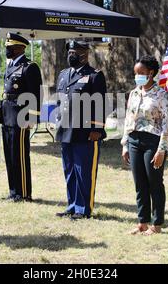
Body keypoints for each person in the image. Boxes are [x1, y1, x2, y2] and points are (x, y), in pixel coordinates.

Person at [121, 55, 168, 236]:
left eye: (141, 73)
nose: (137, 77)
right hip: (134, 140)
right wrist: (125, 144)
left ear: (151, 73)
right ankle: (142, 222)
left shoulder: (162, 95)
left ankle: (156, 224)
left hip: (153, 141)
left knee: (154, 183)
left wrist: (162, 149)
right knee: (139, 183)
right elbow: (129, 119)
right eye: (136, 73)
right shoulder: (134, 93)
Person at [55, 41, 107, 220]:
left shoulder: (94, 76)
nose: (71, 55)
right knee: (69, 170)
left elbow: (100, 104)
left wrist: (97, 128)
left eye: (75, 52)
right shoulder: (63, 75)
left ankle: (83, 209)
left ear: (85, 54)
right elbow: (60, 101)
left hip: (85, 131)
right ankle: (72, 205)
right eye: (70, 51)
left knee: (84, 171)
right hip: (66, 130)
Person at [0, 32, 42, 202]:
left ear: (21, 48)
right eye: (7, 46)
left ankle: (24, 193)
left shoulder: (30, 67)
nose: (8, 49)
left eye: (11, 47)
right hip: (7, 116)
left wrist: (32, 118)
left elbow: (36, 94)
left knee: (20, 156)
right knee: (10, 156)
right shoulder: (10, 66)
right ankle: (14, 192)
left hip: (21, 117)